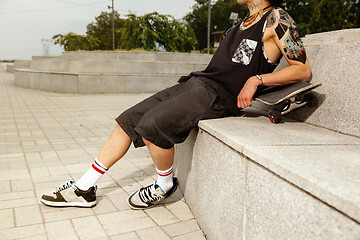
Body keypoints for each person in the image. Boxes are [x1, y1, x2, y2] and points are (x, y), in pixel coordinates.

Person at [40, 0, 311, 209]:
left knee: (153, 126)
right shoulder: (243, 22)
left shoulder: (277, 19)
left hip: (219, 96)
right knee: (128, 120)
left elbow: (301, 69)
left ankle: (164, 185)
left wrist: (257, 80)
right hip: (196, 84)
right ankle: (84, 188)